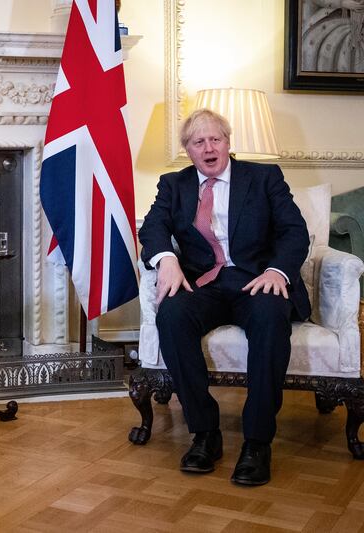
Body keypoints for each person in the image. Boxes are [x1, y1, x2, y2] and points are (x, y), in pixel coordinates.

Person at [138, 108, 310, 486]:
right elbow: (152, 228)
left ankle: (257, 442)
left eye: (215, 139)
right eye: (199, 142)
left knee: (269, 317)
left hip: (256, 281)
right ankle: (205, 433)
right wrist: (165, 259)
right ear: (188, 150)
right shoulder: (173, 184)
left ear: (228, 143)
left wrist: (276, 271)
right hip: (205, 283)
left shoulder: (264, 178)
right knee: (171, 314)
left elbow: (295, 232)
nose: (209, 147)